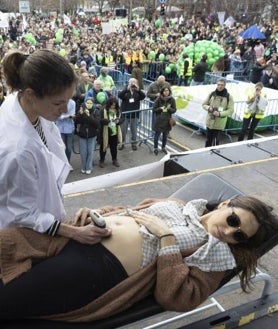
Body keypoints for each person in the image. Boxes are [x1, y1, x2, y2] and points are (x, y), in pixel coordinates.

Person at [0, 195, 277, 321]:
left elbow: (180, 297)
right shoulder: (183, 206)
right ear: (228, 203)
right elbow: (129, 210)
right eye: (233, 220)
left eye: (238, 236)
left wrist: (166, 239)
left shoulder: (214, 256)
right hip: (81, 236)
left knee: (8, 298)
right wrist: (96, 212)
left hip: (98, 270)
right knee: (10, 243)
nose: (228, 231)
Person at [0, 49, 111, 244]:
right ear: (31, 94)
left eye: (68, 101)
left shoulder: (24, 105)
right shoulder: (18, 150)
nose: (64, 109)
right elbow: (23, 214)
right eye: (58, 103)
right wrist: (76, 233)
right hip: (26, 237)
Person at [202, 78, 234, 147]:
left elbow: (231, 110)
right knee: (208, 140)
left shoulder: (229, 97)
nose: (219, 86)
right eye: (218, 84)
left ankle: (214, 155)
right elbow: (204, 104)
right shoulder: (212, 94)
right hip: (210, 121)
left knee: (216, 142)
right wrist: (209, 108)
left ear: (225, 86)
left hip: (219, 123)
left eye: (222, 85)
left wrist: (220, 114)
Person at [118, 78, 145, 151]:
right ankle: (122, 143)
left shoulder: (137, 92)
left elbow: (143, 96)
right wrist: (127, 89)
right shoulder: (125, 90)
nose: (133, 84)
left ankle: (133, 144)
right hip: (125, 115)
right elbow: (120, 96)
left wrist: (138, 90)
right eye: (131, 82)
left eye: (134, 83)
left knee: (134, 131)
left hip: (134, 115)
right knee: (123, 131)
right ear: (128, 83)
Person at [75, 97, 100, 174]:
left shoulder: (96, 111)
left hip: (92, 134)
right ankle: (83, 167)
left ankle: (89, 167)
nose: (88, 104)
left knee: (90, 151)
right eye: (87, 103)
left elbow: (97, 124)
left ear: (93, 104)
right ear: (85, 103)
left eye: (90, 103)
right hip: (82, 134)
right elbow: (76, 121)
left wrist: (89, 115)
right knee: (83, 152)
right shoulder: (81, 110)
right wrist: (80, 114)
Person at [99, 96, 123, 168]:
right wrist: (108, 121)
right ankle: (102, 160)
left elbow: (122, 118)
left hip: (114, 132)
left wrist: (118, 121)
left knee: (114, 147)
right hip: (105, 132)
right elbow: (99, 120)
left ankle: (114, 159)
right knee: (103, 147)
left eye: (114, 105)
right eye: (112, 105)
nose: (113, 106)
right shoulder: (103, 110)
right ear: (109, 104)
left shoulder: (118, 110)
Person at [153, 86, 177, 155]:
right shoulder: (158, 99)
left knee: (165, 136)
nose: (166, 92)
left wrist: (169, 109)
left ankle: (163, 147)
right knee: (157, 136)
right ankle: (155, 148)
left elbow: (174, 110)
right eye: (165, 91)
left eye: (167, 91)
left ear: (169, 91)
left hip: (167, 121)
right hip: (159, 120)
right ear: (162, 92)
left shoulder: (172, 100)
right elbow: (154, 110)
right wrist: (160, 108)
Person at [55, 98, 76, 166]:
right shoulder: (57, 101)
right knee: (61, 148)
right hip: (59, 128)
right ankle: (62, 164)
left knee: (69, 148)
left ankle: (68, 163)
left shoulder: (72, 102)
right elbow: (56, 116)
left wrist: (63, 117)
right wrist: (66, 117)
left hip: (69, 129)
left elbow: (72, 115)